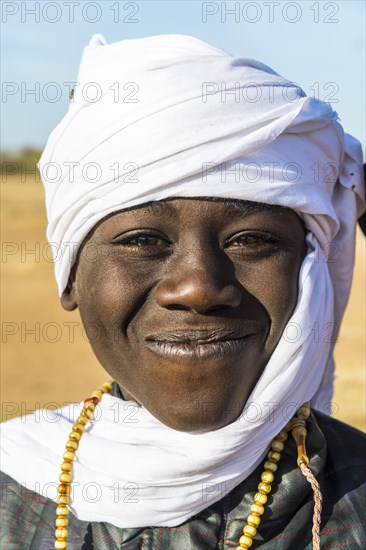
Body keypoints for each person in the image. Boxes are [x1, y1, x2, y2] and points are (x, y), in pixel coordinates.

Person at [1, 34, 365, 550]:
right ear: (72, 276)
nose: (198, 288)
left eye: (252, 240)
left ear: (310, 270)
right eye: (143, 241)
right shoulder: (14, 486)